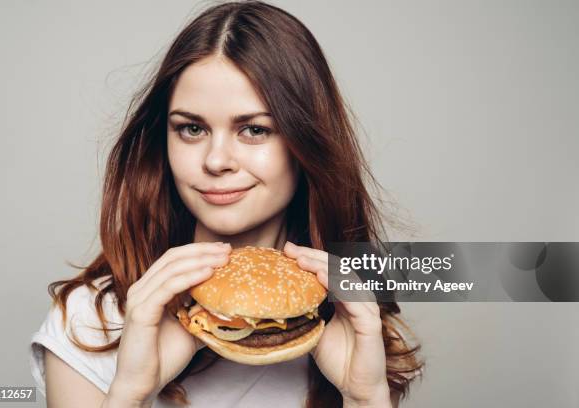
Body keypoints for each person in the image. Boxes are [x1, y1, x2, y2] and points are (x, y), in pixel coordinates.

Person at [29, 1, 423, 407]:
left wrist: (365, 397)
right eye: (192, 128)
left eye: (254, 129)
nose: (216, 161)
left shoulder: (356, 320)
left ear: (307, 142)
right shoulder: (89, 322)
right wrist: (131, 392)